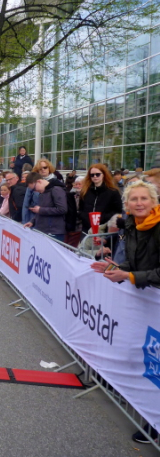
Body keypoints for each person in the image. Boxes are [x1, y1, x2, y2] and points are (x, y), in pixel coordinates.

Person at [90, 180, 160, 445]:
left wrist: (128, 275)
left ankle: (155, 424)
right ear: (127, 204)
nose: (139, 203)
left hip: (154, 299)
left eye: (144, 198)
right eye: (134, 199)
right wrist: (116, 269)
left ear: (154, 201)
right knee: (142, 355)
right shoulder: (131, 225)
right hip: (145, 300)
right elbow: (133, 261)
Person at [78, 164, 123, 236]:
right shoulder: (85, 191)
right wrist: (85, 218)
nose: (95, 176)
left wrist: (102, 218)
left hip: (104, 229)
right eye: (92, 175)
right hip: (86, 229)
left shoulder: (113, 191)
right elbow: (81, 209)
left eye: (97, 174)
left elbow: (118, 210)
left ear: (103, 175)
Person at [23, 172, 68, 242]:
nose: (35, 191)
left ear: (39, 181)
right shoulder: (43, 192)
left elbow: (62, 209)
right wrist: (33, 221)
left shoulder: (56, 190)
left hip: (54, 232)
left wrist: (40, 210)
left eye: (34, 188)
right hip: (43, 230)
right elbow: (42, 210)